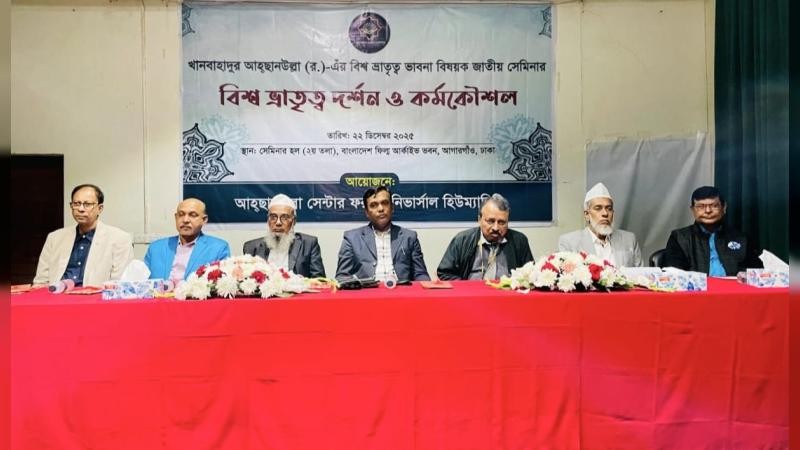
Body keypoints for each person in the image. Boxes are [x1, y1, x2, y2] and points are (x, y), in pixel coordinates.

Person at [33, 183, 134, 286]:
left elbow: (119, 284)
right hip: (57, 294)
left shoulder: (120, 239)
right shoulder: (54, 238)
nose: (81, 209)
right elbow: (41, 282)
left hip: (96, 295)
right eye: (76, 203)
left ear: (100, 208)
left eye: (87, 204)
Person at [336, 186, 430, 282]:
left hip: (401, 290)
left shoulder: (409, 237)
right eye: (373, 205)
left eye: (385, 203)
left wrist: (428, 285)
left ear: (392, 207)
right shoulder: (352, 239)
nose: (380, 209)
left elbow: (420, 274)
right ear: (367, 212)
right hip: (367, 290)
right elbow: (342, 277)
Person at [662, 185, 761, 276]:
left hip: (734, 288)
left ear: (724, 207)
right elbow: (674, 274)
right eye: (700, 207)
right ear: (693, 210)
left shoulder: (741, 238)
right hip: (697, 289)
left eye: (714, 206)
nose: (708, 211)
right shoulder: (679, 238)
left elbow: (756, 273)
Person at [437, 193, 534, 280]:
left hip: (507, 293)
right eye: (491, 221)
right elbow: (444, 273)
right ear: (479, 220)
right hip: (472, 293)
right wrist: (467, 288)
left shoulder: (519, 241)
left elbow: (531, 275)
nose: (496, 228)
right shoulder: (462, 240)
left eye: (501, 222)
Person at [144, 198, 230, 282]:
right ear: (176, 218)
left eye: (193, 215)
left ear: (204, 220)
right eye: (181, 215)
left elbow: (220, 284)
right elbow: (142, 284)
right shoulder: (156, 248)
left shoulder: (218, 248)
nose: (185, 220)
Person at [557, 182, 642, 267]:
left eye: (609, 209)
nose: (605, 213)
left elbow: (641, 273)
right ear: (587, 215)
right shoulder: (569, 243)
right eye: (598, 208)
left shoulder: (629, 239)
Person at [242, 194, 326, 278]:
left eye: (284, 218)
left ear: (294, 221)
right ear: (268, 220)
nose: (278, 223)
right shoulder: (251, 248)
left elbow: (320, 281)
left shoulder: (309, 245)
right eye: (273, 217)